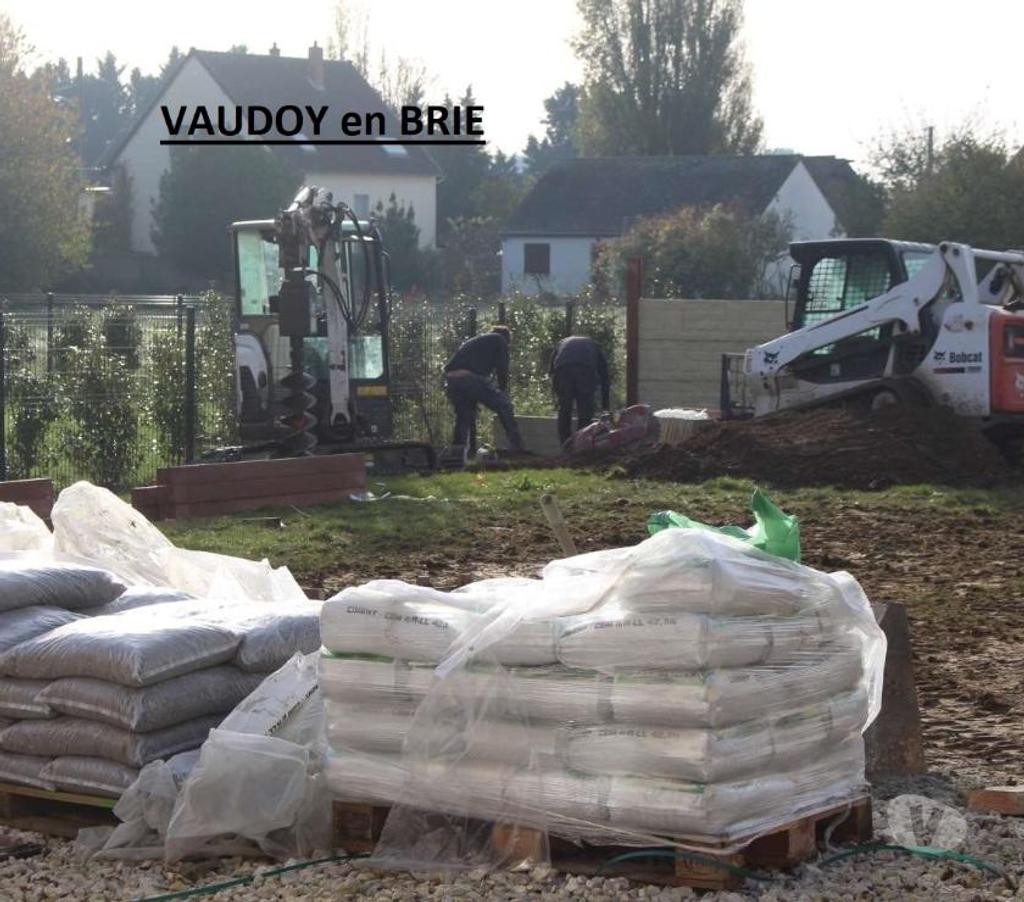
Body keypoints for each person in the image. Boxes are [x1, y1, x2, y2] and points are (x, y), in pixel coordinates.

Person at [444, 325, 526, 453]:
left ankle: (458, 451)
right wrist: (503, 390)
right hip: (469, 377)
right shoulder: (500, 340)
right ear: (507, 338)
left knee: (464, 416)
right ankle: (517, 446)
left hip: (452, 379)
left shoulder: (478, 341)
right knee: (504, 406)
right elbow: (502, 367)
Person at [549, 335, 611, 447]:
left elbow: (551, 369)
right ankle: (581, 446)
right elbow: (605, 378)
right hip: (585, 370)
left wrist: (557, 392)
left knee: (564, 410)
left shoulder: (562, 343)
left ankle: (565, 446)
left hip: (562, 370)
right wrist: (605, 407)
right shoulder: (595, 346)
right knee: (585, 412)